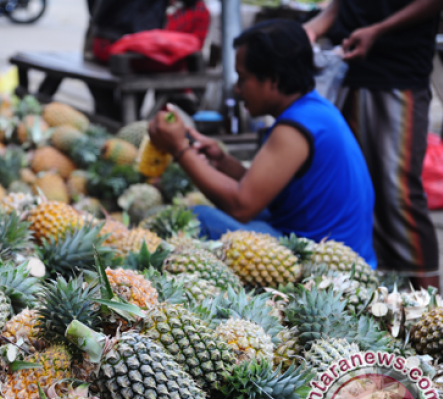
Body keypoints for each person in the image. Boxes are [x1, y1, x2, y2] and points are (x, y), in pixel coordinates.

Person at [148, 19, 377, 266]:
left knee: (198, 217)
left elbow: (241, 206)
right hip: (332, 247)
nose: (237, 89)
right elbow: (264, 188)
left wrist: (179, 148)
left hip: (324, 265)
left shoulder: (295, 128)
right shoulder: (315, 110)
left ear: (274, 80)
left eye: (243, 78)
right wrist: (222, 161)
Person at [304, 0, 443, 289]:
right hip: (353, 72)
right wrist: (314, 28)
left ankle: (432, 302)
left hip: (399, 73)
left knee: (398, 193)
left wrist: (378, 30)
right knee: (357, 188)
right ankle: (380, 294)